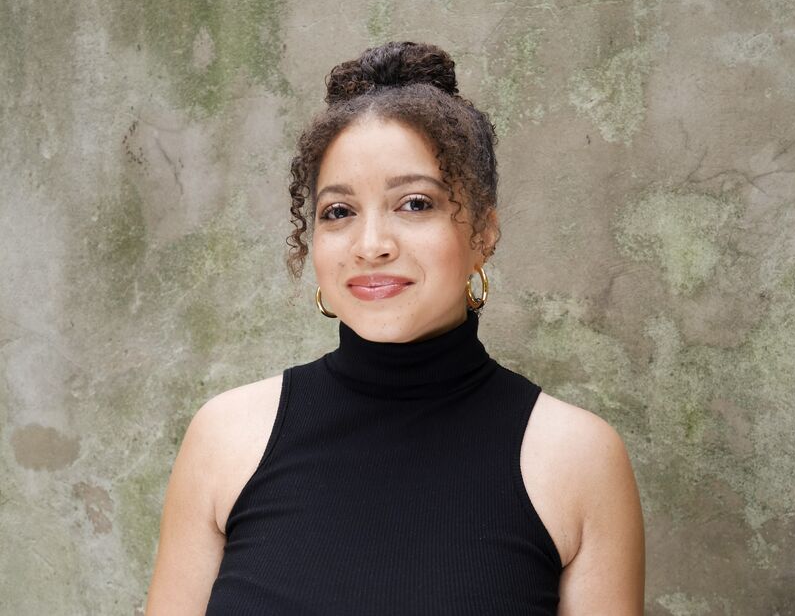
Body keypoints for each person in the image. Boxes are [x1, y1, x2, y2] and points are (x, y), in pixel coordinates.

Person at [145, 41, 645, 615]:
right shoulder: (225, 438)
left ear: (483, 233)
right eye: (339, 212)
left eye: (414, 204)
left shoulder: (576, 458)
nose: (372, 245)